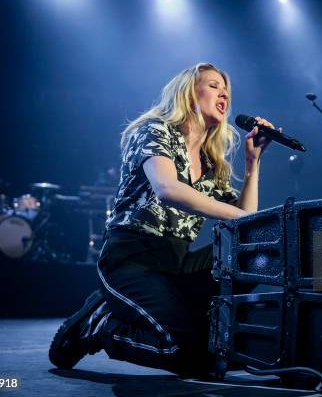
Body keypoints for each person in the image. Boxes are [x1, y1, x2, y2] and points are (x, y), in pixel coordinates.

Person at [49, 63, 279, 377]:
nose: (223, 92)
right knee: (184, 352)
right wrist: (240, 216)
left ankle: (197, 322)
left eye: (226, 89)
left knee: (253, 252)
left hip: (176, 261)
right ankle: (100, 323)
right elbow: (168, 189)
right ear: (188, 92)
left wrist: (253, 163)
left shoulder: (211, 162)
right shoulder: (156, 130)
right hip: (132, 257)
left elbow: (246, 223)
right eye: (213, 85)